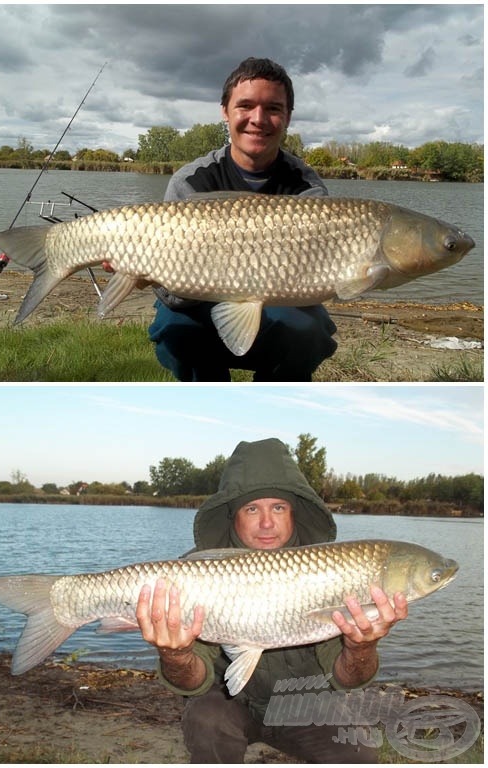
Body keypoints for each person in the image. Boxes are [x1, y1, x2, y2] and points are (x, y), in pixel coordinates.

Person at [136, 437, 406, 762]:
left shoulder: (334, 571)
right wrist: (175, 655)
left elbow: (348, 678)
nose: (267, 523)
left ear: (295, 513)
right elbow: (192, 682)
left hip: (305, 703)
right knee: (204, 719)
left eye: (278, 507)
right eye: (252, 509)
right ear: (232, 517)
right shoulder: (196, 572)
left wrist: (361, 647)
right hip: (228, 701)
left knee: (359, 749)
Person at [147, 58, 338, 381]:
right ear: (225, 110)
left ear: (288, 117)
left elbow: (314, 287)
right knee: (173, 327)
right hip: (197, 304)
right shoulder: (191, 181)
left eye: (273, 109)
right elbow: (172, 297)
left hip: (276, 306)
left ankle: (274, 400)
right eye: (245, 106)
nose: (258, 119)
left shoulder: (306, 188)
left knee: (309, 331)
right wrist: (150, 273)